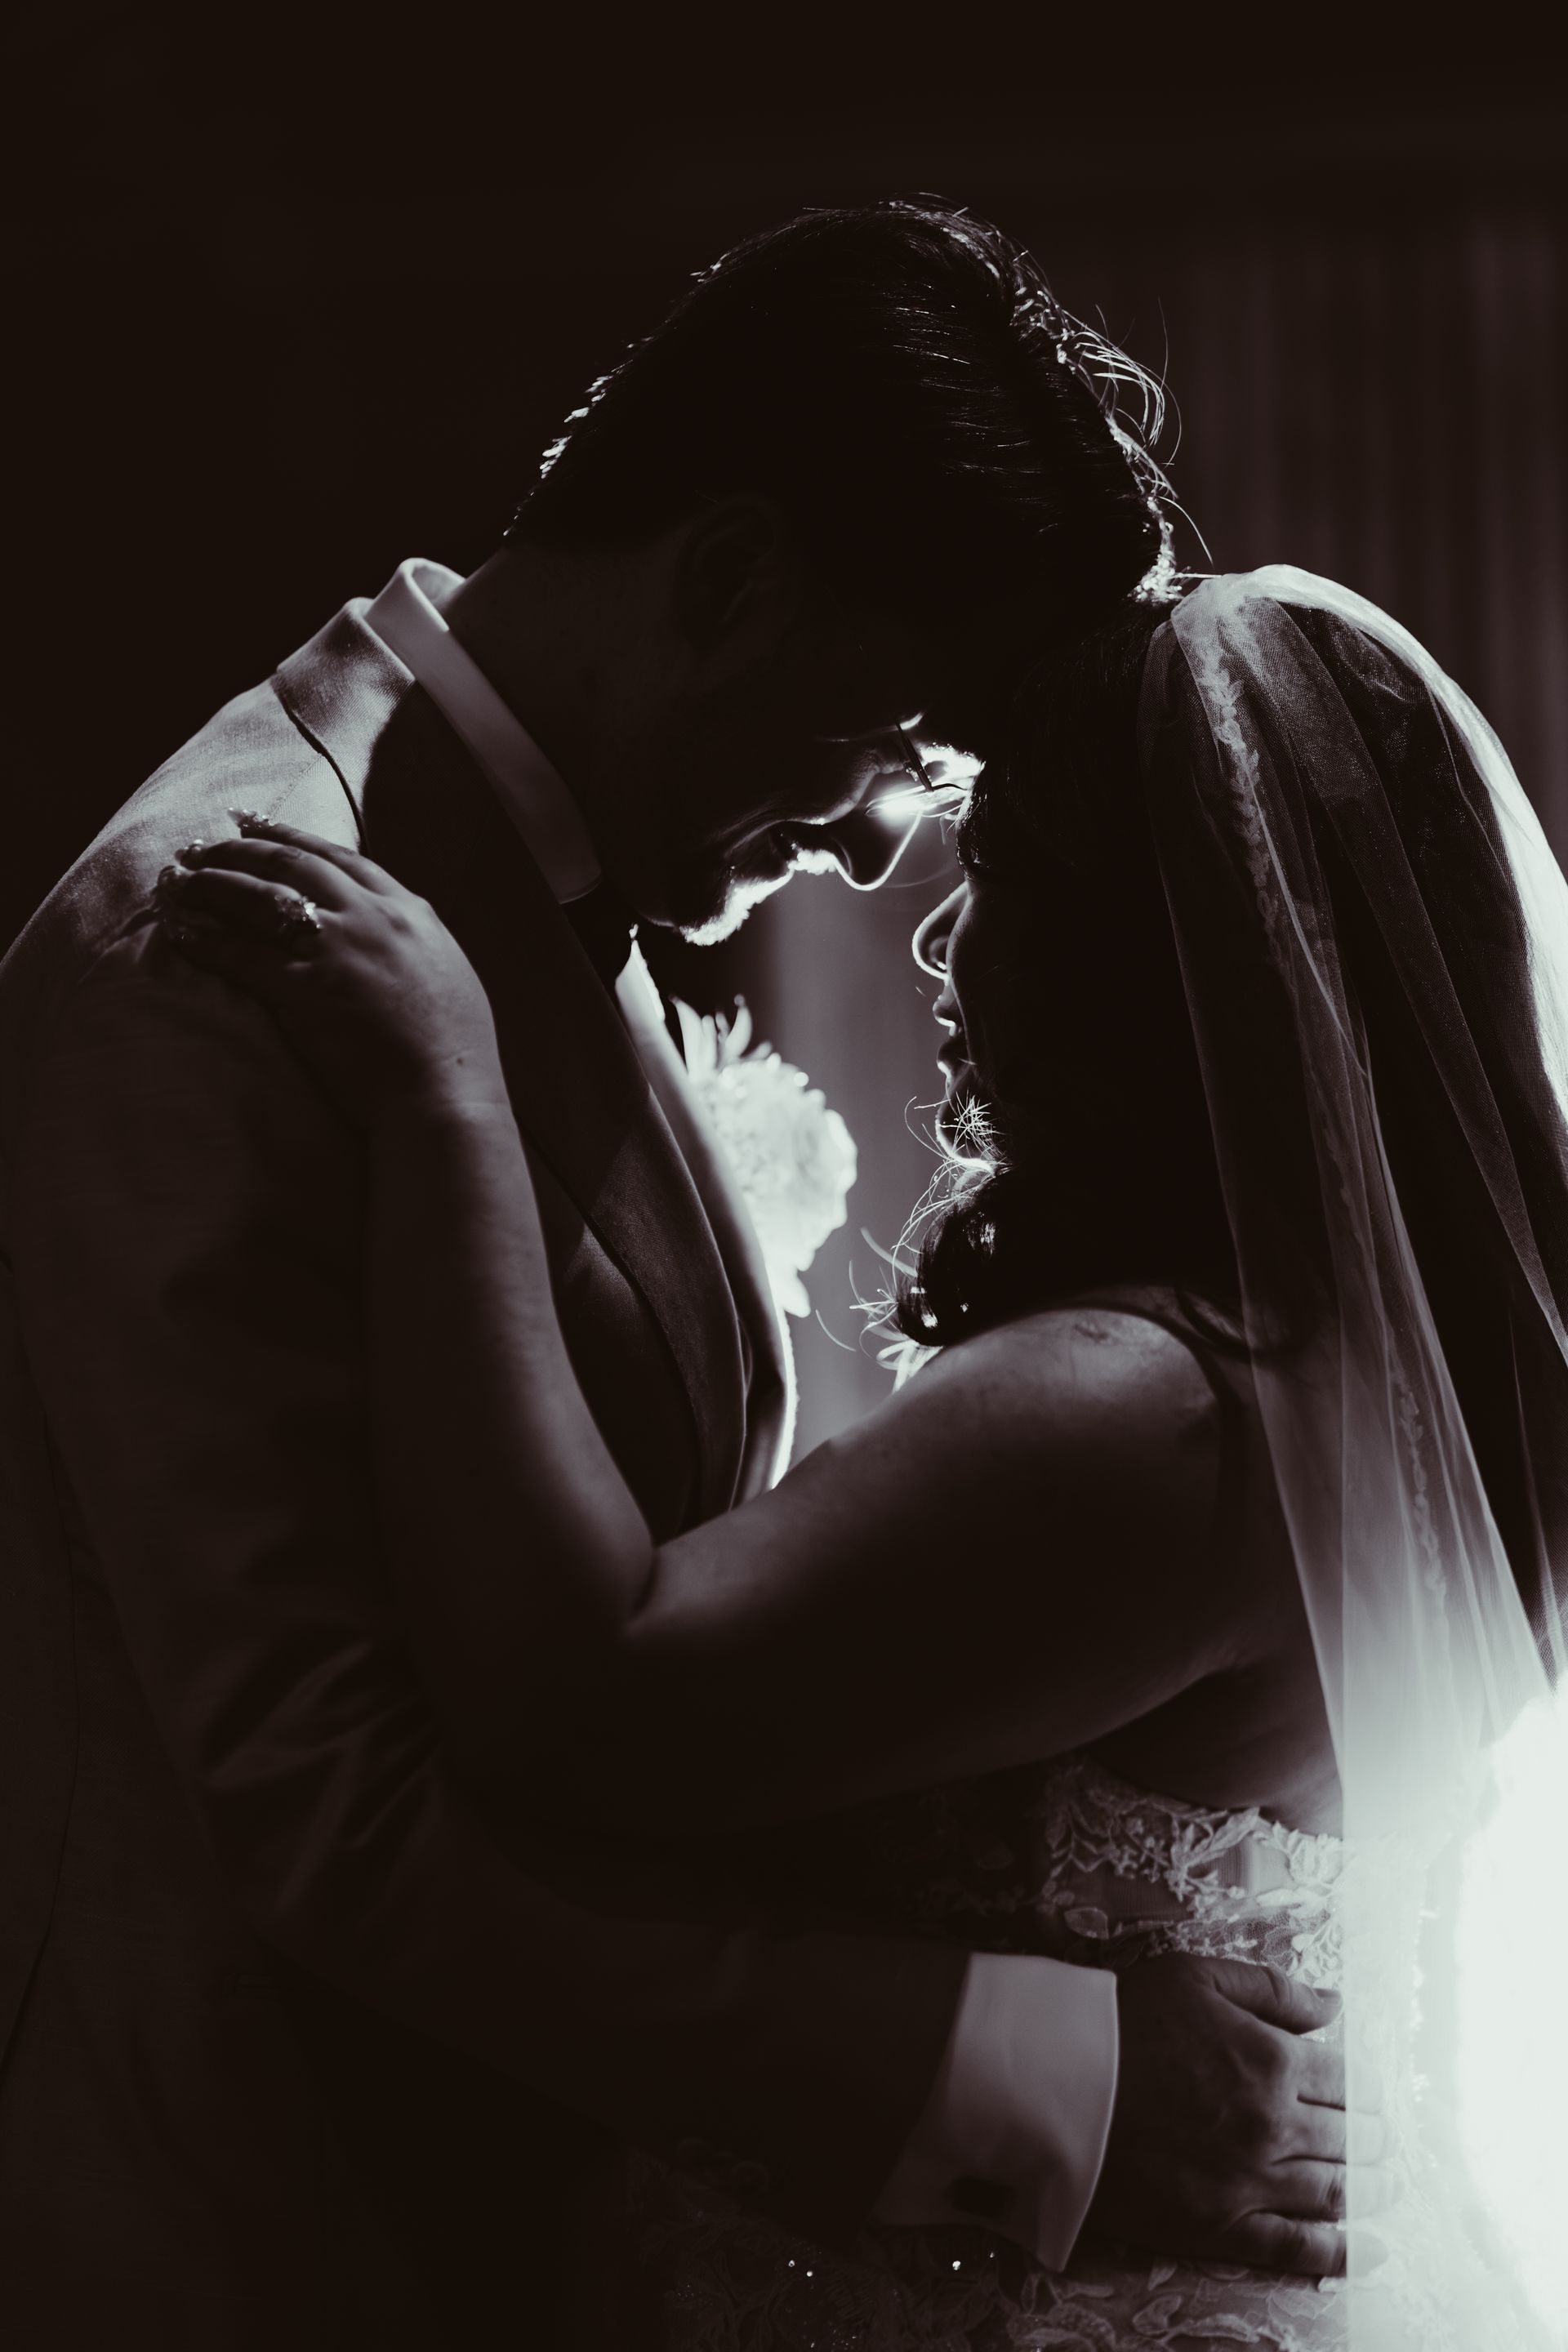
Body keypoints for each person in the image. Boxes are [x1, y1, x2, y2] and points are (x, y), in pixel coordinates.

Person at [0, 207, 1343, 2349]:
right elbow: (328, 1809)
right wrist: (1039, 2067)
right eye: (901, 735)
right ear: (727, 581)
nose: (899, 844)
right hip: (269, 2248)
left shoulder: (542, 890)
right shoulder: (220, 941)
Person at [154, 564, 1568, 2350]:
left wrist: (447, 1104)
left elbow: (585, 1698)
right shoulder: (1383, 1379)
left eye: (1005, 881)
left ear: (1139, 955)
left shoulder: (1147, 1413)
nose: (944, 947)